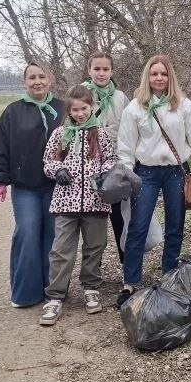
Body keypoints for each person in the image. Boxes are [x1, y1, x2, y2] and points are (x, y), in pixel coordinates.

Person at [116, 54, 191, 306]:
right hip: (145, 172)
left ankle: (169, 277)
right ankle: (130, 283)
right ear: (147, 77)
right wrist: (125, 174)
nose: (159, 78)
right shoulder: (135, 108)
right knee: (138, 227)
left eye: (163, 74)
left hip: (176, 171)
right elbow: (125, 146)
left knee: (175, 227)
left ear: (170, 77)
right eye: (154, 74)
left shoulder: (185, 106)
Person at [38, 85, 117, 325]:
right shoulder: (60, 133)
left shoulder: (100, 133)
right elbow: (47, 160)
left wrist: (102, 176)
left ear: (92, 107)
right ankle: (55, 295)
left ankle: (91, 287)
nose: (80, 113)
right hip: (66, 201)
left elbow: (111, 159)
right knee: (61, 249)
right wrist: (58, 170)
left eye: (84, 108)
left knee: (95, 246)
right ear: (69, 110)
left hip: (95, 201)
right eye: (75, 110)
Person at [0, 62, 65, 307]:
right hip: (26, 186)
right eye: (32, 77)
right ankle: (25, 293)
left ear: (50, 80)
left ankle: (52, 289)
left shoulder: (63, 109)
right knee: (28, 231)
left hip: (57, 184)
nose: (37, 81)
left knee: (54, 237)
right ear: (25, 82)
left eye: (42, 76)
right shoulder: (13, 111)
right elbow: (1, 146)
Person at [81, 52, 130, 263]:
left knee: (119, 218)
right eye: (97, 69)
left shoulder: (121, 98)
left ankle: (126, 265)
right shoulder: (81, 95)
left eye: (105, 69)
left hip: (116, 166)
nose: (101, 73)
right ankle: (93, 268)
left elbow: (129, 131)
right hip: (89, 166)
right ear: (89, 70)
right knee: (93, 220)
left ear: (112, 71)